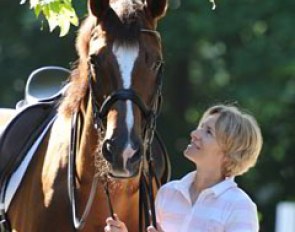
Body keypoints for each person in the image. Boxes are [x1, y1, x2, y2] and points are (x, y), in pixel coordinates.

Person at [104, 104, 263, 232]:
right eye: (200, 127)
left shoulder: (240, 206)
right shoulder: (168, 192)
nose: (194, 133)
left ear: (229, 153)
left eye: (208, 132)